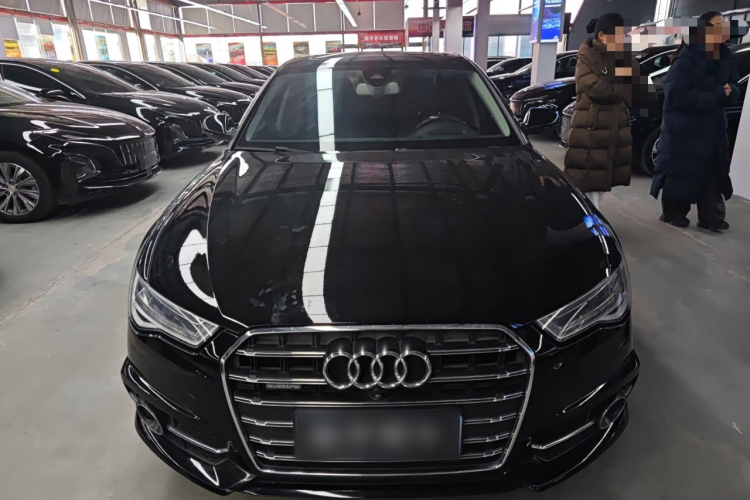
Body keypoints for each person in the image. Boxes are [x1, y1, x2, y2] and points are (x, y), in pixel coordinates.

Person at [650, 11, 739, 231]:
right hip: (685, 131)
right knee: (682, 172)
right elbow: (676, 96)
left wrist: (731, 92)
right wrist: (718, 93)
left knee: (712, 174)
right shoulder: (688, 57)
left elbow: (734, 85)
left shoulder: (726, 56)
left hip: (713, 129)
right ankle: (673, 213)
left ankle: (712, 217)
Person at [564, 13, 638, 210]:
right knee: (589, 180)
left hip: (612, 129)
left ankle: (590, 218)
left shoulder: (621, 57)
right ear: (602, 35)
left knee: (601, 178)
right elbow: (597, 88)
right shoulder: (587, 56)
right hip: (592, 129)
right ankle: (589, 221)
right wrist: (623, 89)